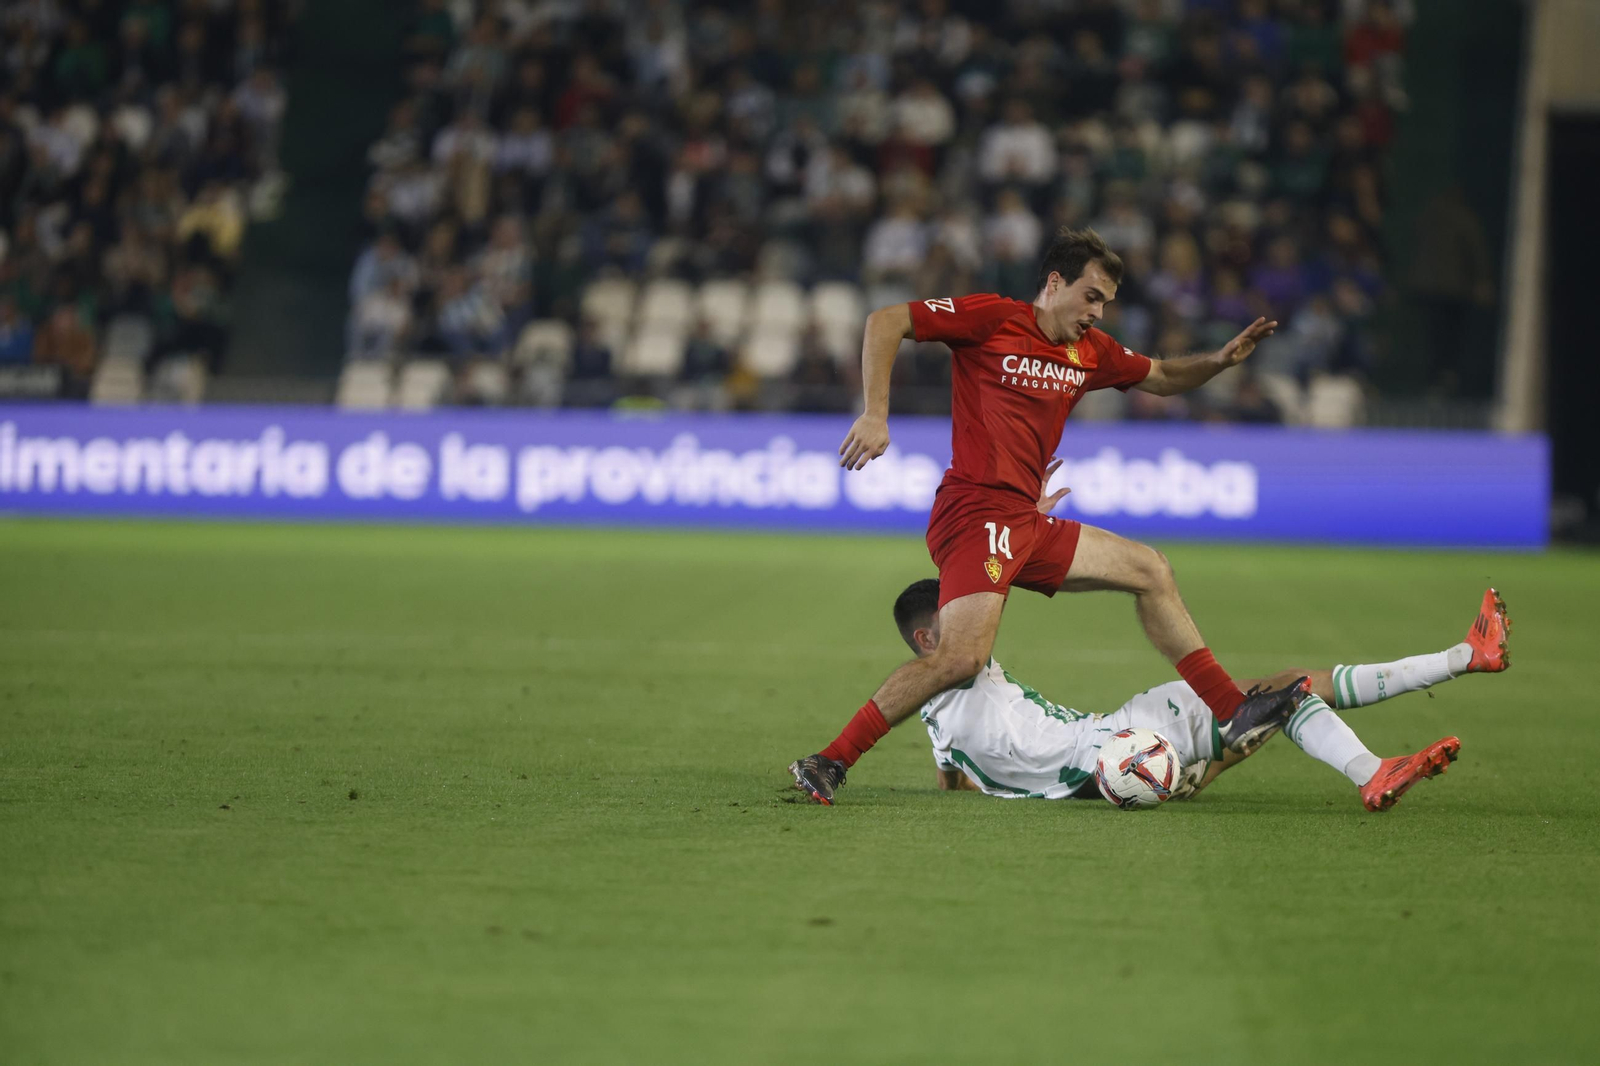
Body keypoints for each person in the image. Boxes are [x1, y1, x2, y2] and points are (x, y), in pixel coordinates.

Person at [789, 227, 1295, 805]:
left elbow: (1160, 375)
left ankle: (1231, 712)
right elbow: (886, 320)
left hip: (1024, 520)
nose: (1098, 313)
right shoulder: (993, 318)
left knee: (1150, 569)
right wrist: (877, 413)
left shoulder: (1090, 352)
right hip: (977, 513)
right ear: (1055, 283)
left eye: (1105, 302)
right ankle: (830, 760)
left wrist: (1220, 361)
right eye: (1091, 296)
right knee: (961, 659)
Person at [896, 575, 1508, 812]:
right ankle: (1447, 677)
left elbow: (957, 774)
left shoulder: (936, 713)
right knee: (1287, 690)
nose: (978, 618)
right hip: (1121, 743)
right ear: (928, 638)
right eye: (960, 613)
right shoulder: (964, 669)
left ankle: (1460, 663)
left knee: (1266, 711)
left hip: (1119, 770)